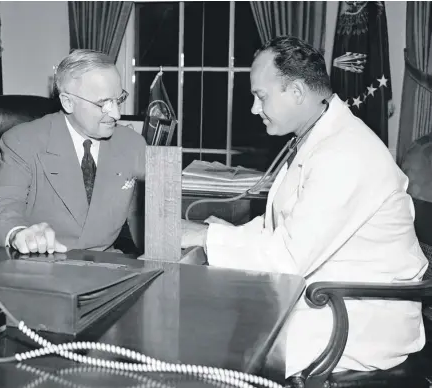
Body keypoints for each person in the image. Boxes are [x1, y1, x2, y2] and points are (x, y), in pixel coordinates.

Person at [182, 36, 428, 378]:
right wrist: (215, 233)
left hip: (351, 317)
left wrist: (205, 238)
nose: (254, 108)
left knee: (209, 340)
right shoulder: (316, 138)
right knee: (205, 316)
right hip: (326, 293)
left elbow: (287, 257)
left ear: (296, 93)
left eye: (261, 96)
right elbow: (283, 227)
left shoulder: (345, 153)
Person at [0, 49, 146, 254]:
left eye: (118, 99)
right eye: (103, 103)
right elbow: (2, 203)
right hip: (43, 264)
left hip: (108, 266)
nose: (115, 113)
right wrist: (18, 233)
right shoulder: (22, 141)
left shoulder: (132, 143)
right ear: (68, 102)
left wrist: (197, 234)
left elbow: (152, 213)